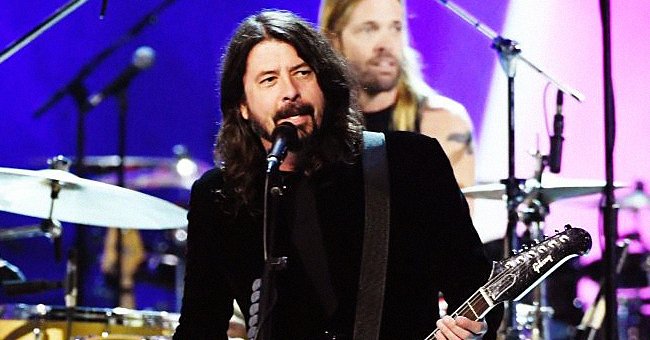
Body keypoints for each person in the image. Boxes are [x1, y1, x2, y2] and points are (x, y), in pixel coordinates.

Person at [173, 9, 501, 340]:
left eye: (302, 72)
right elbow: (199, 327)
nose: (290, 91)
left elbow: (478, 290)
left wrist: (473, 332)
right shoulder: (220, 197)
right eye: (269, 79)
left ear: (325, 84)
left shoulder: (410, 163)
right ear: (242, 105)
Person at [318, 0, 475, 189]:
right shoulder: (316, 124)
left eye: (396, 28)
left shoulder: (442, 122)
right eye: (369, 29)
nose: (387, 44)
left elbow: (459, 216)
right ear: (333, 40)